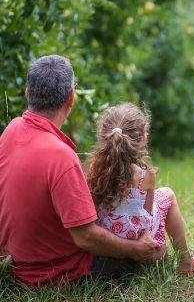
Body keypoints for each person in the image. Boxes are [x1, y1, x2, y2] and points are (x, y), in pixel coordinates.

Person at [0, 55, 156, 284]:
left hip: (17, 264)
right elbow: (86, 237)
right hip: (62, 273)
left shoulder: (11, 130)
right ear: (71, 97)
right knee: (152, 255)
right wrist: (134, 250)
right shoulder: (61, 156)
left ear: (27, 93)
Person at [86, 103, 194, 274]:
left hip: (104, 255)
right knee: (168, 194)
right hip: (143, 256)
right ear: (143, 139)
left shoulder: (93, 173)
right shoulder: (145, 177)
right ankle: (185, 262)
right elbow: (145, 218)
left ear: (103, 136)